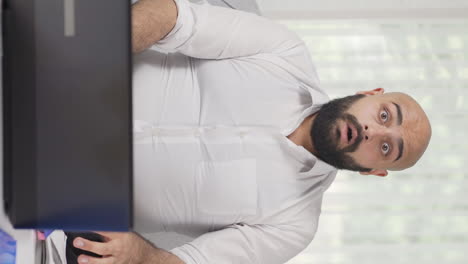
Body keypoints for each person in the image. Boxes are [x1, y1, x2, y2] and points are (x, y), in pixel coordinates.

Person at [65, 0, 432, 263]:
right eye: (385, 115)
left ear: (373, 171)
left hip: (67, 197)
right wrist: (93, 52)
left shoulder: (293, 226)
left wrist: (139, 256)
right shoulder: (284, 51)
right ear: (370, 95)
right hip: (64, 73)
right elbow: (173, 18)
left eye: (388, 148)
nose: (373, 132)